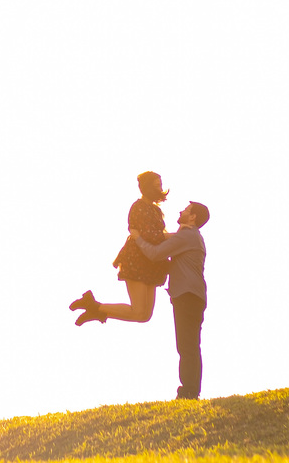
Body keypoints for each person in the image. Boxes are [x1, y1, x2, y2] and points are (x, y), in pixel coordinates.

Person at [68, 171, 169, 326]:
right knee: (138, 311)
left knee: (144, 316)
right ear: (148, 187)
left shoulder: (155, 210)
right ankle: (92, 305)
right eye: (157, 185)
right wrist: (181, 237)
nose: (160, 188)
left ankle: (97, 311)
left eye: (160, 185)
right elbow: (150, 235)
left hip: (152, 264)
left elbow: (158, 236)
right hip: (137, 261)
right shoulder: (138, 207)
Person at [132, 201, 209, 400]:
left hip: (187, 295)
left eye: (186, 210)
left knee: (187, 346)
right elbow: (167, 242)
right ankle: (191, 390)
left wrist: (138, 238)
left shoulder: (188, 236)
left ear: (192, 217)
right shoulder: (190, 236)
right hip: (191, 295)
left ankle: (189, 391)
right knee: (190, 345)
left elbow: (156, 254)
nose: (181, 210)